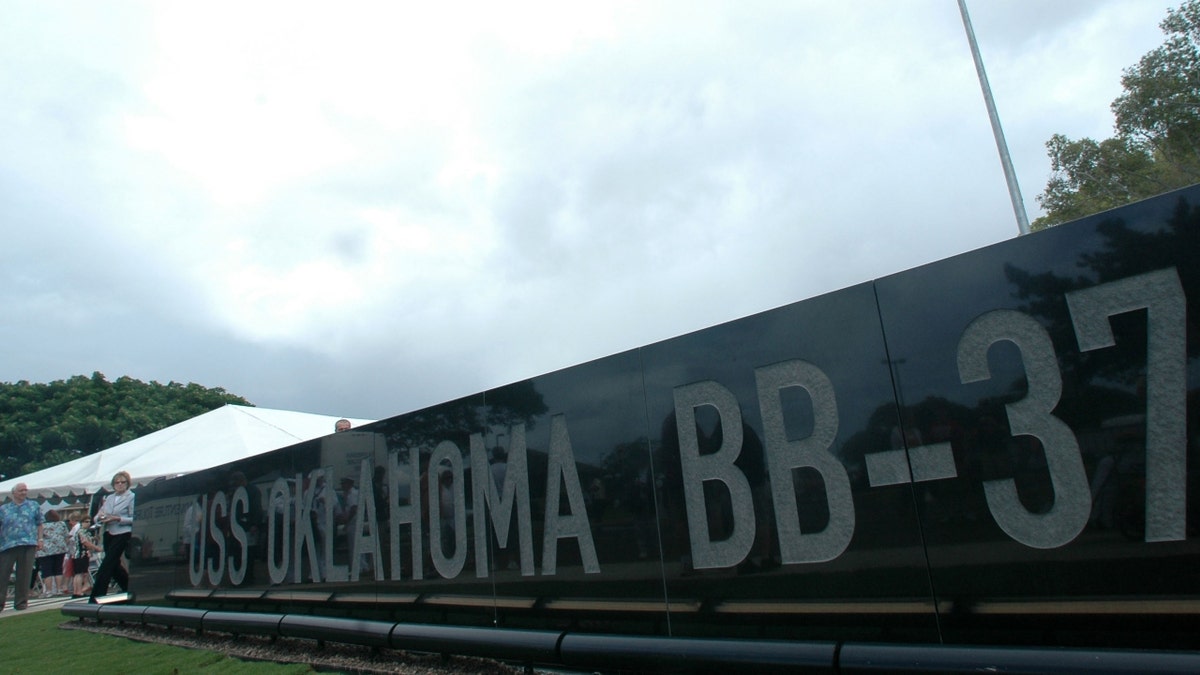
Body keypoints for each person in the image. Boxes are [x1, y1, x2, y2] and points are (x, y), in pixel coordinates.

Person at [89, 471, 135, 602]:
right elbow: (98, 516)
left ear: (127, 484)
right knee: (114, 565)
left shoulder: (131, 497)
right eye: (117, 482)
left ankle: (96, 595)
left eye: (122, 482)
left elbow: (133, 518)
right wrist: (101, 518)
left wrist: (118, 518)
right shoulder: (109, 498)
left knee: (107, 564)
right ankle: (128, 587)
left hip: (123, 532)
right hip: (109, 532)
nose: (119, 485)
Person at [0, 483, 45, 612]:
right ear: (13, 493)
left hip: (28, 543)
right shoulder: (4, 509)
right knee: (3, 574)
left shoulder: (33, 506)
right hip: (7, 545)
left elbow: (40, 523)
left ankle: (21, 603)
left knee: (24, 574)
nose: (24, 493)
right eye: (21, 491)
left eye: (25, 490)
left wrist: (40, 539)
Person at [36, 509, 70, 596]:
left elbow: (38, 536)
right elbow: (67, 536)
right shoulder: (62, 524)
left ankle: (49, 591)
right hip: (60, 548)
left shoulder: (42, 526)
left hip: (45, 550)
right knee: (58, 569)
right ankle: (59, 589)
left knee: (47, 570)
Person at [71, 515, 101, 597]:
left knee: (78, 574)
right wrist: (96, 548)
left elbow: (89, 539)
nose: (88, 523)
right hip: (82, 554)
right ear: (82, 522)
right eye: (86, 522)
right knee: (80, 573)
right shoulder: (82, 531)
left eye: (89, 522)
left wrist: (94, 538)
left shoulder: (84, 532)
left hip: (77, 554)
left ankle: (76, 591)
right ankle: (79, 591)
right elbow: (85, 542)